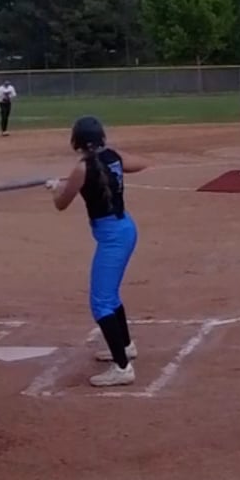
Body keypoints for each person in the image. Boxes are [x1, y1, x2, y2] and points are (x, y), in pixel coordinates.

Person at [46, 116, 149, 387]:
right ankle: (125, 347)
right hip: (125, 229)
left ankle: (123, 368)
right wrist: (111, 160)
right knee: (109, 296)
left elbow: (61, 204)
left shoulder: (82, 168)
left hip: (113, 238)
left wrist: (56, 188)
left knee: (101, 302)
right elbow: (140, 163)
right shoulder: (112, 157)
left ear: (76, 141)